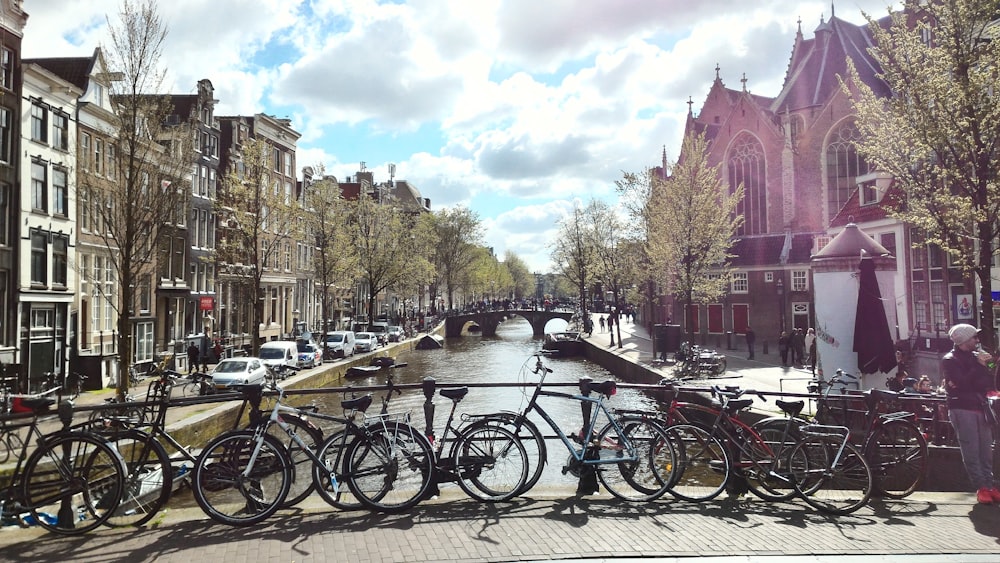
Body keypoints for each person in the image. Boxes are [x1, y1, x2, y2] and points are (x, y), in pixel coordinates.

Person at [941, 323, 1000, 504]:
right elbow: (962, 383)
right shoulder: (950, 359)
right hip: (962, 408)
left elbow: (988, 379)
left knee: (985, 450)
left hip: (979, 406)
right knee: (971, 449)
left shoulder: (976, 356)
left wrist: (990, 363)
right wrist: (977, 366)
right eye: (974, 337)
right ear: (965, 340)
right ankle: (981, 487)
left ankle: (990, 486)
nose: (977, 340)